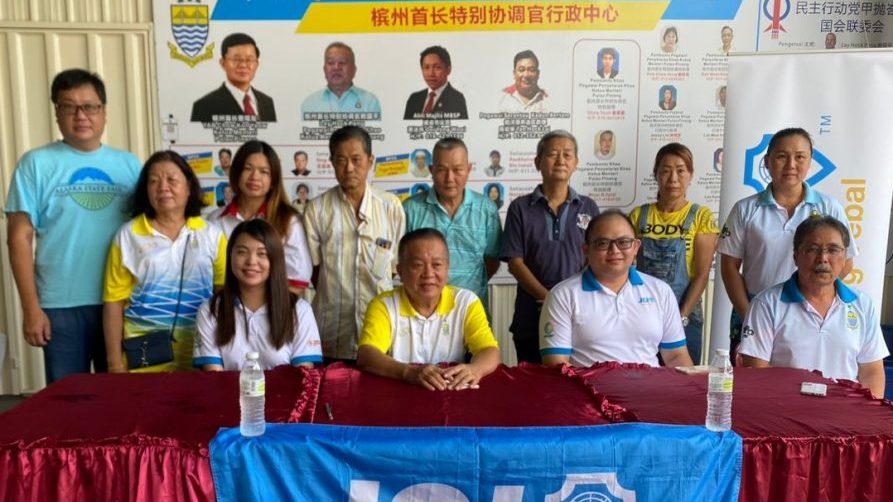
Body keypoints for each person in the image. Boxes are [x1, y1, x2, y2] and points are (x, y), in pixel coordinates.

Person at [5, 68, 141, 383]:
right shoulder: (35, 164)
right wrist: (31, 308)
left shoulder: (130, 165)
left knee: (124, 395)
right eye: (69, 107)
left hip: (122, 300)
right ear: (57, 113)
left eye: (90, 106)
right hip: (60, 305)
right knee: (68, 399)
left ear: (104, 112)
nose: (81, 115)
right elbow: (19, 238)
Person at [719, 127, 855, 359]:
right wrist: (749, 314)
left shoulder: (829, 208)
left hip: (808, 313)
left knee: (803, 377)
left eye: (800, 157)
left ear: (810, 161)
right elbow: (729, 267)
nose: (791, 165)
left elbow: (846, 262)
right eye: (782, 156)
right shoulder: (745, 209)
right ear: (767, 162)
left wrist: (813, 298)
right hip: (754, 307)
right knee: (751, 378)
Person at [103, 151, 227, 372]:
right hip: (143, 360)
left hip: (202, 358)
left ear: (189, 187)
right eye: (154, 181)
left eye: (171, 179)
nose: (163, 187)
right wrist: (115, 364)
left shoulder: (212, 235)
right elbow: (113, 303)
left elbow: (223, 295)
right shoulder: (127, 236)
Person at [740, 216, 887, 398]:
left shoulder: (862, 304)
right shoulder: (766, 304)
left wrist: (868, 410)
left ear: (844, 257)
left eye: (833, 250)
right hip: (786, 407)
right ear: (795, 256)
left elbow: (872, 372)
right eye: (812, 249)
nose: (823, 258)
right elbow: (756, 369)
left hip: (845, 409)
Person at [540, 210, 693, 368]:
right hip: (587, 384)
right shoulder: (562, 295)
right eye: (603, 243)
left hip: (649, 383)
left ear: (636, 247)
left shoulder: (660, 291)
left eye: (623, 242)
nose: (614, 250)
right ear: (586, 250)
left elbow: (676, 356)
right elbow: (556, 365)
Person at [304, 126, 406, 362]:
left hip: (380, 333)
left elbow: (395, 268)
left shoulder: (391, 207)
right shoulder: (316, 209)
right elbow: (314, 270)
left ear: (370, 161)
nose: (349, 168)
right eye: (341, 160)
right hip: (331, 333)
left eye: (356, 159)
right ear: (331, 162)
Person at [357, 229, 500, 390]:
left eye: (437, 265)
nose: (428, 274)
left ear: (447, 269)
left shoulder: (466, 302)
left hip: (449, 392)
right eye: (417, 265)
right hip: (400, 392)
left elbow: (489, 350)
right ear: (400, 271)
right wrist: (408, 372)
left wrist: (475, 369)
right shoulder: (384, 305)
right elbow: (367, 354)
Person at [501, 130, 600, 363]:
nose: (560, 160)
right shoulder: (520, 208)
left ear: (576, 163)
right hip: (531, 315)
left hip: (579, 313)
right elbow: (515, 263)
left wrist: (567, 299)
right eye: (553, 154)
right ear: (538, 162)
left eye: (567, 155)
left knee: (577, 380)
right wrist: (548, 298)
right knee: (533, 381)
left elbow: (596, 259)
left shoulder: (588, 207)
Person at [629, 143, 719, 363]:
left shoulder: (701, 216)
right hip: (643, 315)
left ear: (690, 175)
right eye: (666, 171)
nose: (673, 178)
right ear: (656, 175)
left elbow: (701, 275)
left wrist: (681, 316)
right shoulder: (638, 215)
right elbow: (626, 268)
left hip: (686, 317)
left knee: (684, 379)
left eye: (680, 170)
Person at [194, 219, 323, 370]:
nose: (251, 261)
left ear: (275, 259)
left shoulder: (299, 310)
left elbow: (302, 376)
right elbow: (214, 377)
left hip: (286, 387)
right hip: (226, 387)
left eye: (262, 253)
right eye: (242, 252)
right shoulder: (210, 310)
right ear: (230, 256)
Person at [403, 138, 502, 312]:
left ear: (468, 170)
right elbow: (403, 262)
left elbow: (492, 261)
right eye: (442, 170)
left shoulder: (486, 209)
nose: (450, 178)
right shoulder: (410, 209)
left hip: (471, 311)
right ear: (431, 170)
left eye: (457, 170)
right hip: (422, 314)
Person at [209, 140, 312, 295]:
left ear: (273, 180)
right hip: (225, 307)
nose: (254, 176)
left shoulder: (289, 222)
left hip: (276, 308)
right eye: (247, 168)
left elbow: (296, 282)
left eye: (264, 171)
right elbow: (209, 277)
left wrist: (258, 308)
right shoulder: (215, 221)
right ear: (236, 174)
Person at [191, 33, 277, 122]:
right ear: (222, 63)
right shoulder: (204, 106)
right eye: (236, 59)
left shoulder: (267, 102)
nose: (243, 65)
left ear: (257, 64)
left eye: (249, 59)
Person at [301, 42, 381, 115]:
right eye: (331, 63)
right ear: (324, 69)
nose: (336, 67)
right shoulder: (310, 103)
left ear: (354, 70)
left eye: (342, 62)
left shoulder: (369, 102)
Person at [404, 46, 468, 120]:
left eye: (437, 67)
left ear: (448, 70)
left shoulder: (457, 99)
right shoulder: (414, 99)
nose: (431, 73)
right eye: (426, 67)